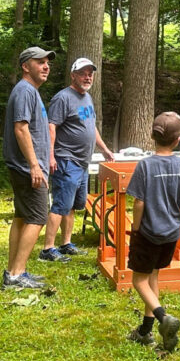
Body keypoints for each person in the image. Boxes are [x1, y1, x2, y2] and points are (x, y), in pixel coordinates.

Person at [125, 112, 180, 351]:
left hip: (148, 233)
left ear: (152, 136)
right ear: (178, 140)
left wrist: (135, 231)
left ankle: (163, 318)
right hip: (170, 234)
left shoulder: (145, 165)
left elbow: (138, 203)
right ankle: (146, 330)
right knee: (153, 275)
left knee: (138, 279)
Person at [41, 57, 115, 262]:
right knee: (60, 204)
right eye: (83, 73)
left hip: (83, 162)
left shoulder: (87, 98)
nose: (87, 76)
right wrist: (50, 156)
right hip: (66, 160)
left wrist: (105, 149)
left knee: (72, 205)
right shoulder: (62, 98)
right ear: (73, 75)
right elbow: (51, 127)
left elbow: (91, 128)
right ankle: (47, 249)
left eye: (90, 73)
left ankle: (65, 244)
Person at [2, 46, 55, 289]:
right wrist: (35, 165)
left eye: (47, 63)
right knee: (37, 216)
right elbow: (21, 129)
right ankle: (16, 274)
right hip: (27, 167)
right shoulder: (24, 91)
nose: (46, 66)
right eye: (40, 62)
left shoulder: (29, 91)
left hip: (27, 166)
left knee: (23, 217)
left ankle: (13, 270)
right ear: (26, 66)